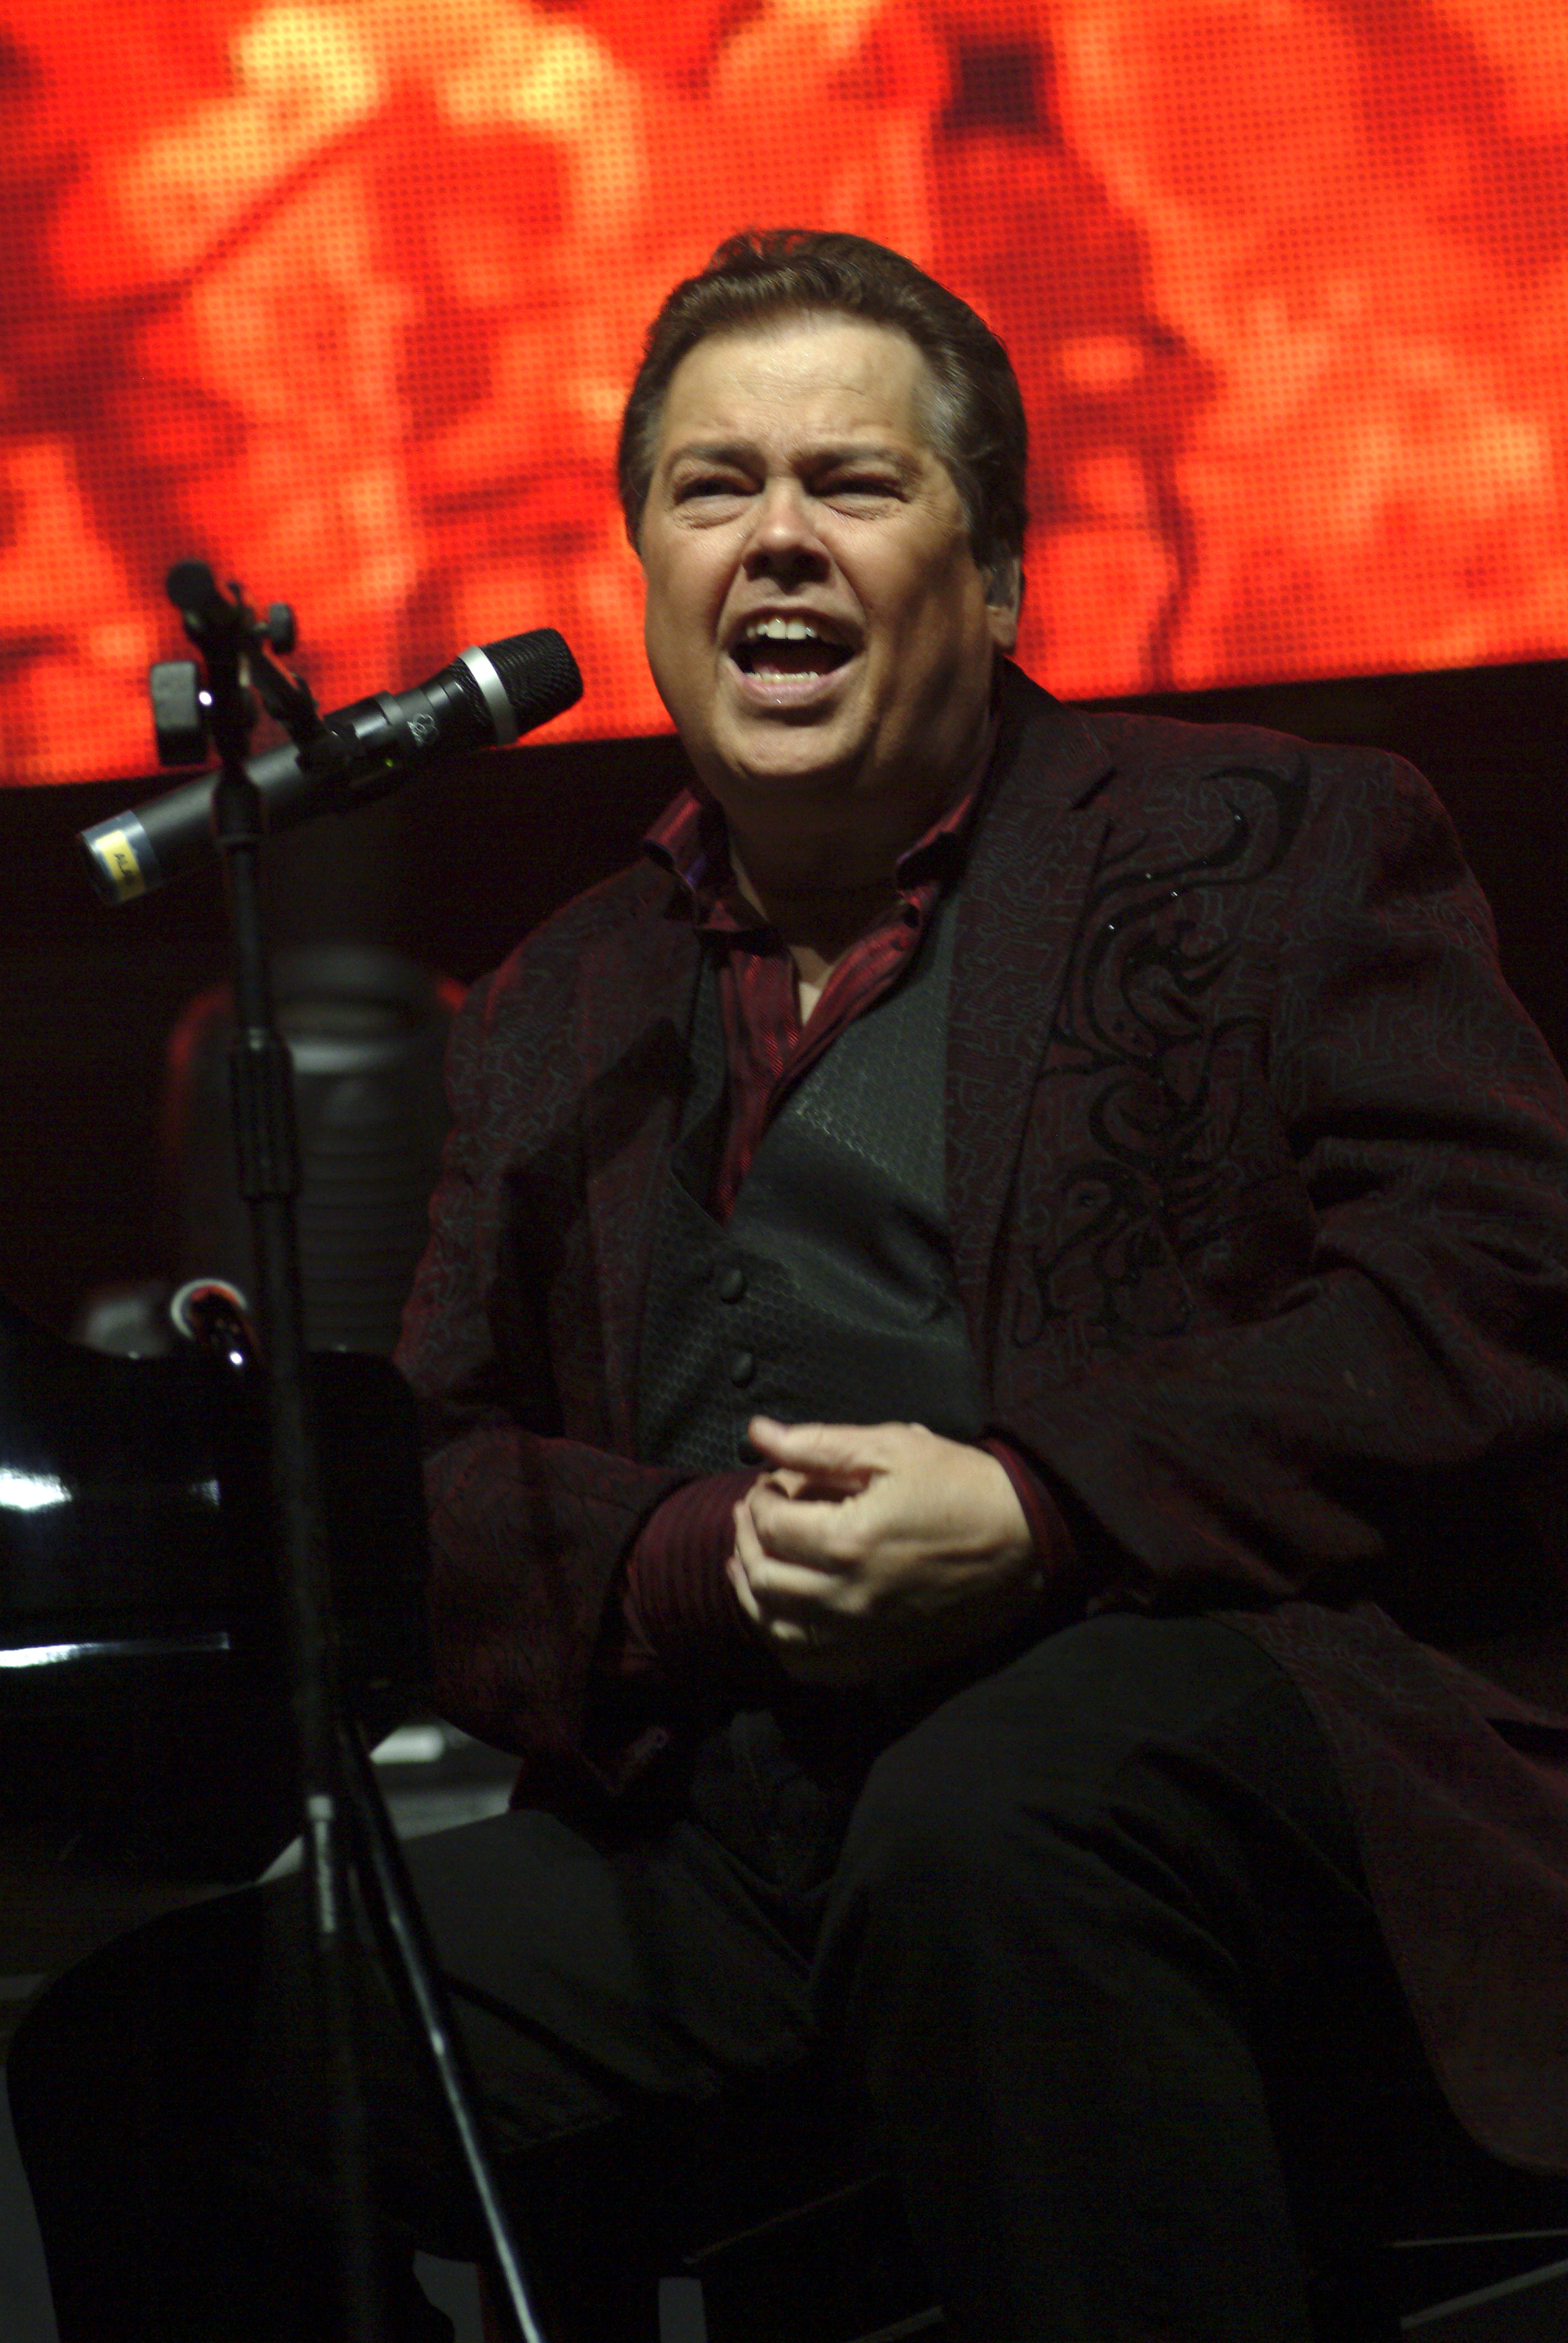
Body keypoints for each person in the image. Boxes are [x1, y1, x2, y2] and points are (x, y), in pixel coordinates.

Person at [12, 228, 1568, 2343]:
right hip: (742, 1836)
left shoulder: (1278, 841)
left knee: (987, 1827)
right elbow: (443, 1469)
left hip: (1217, 1735)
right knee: (151, 2045)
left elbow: (1496, 1295)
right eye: (713, 488)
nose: (777, 543)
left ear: (998, 576)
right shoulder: (561, 997)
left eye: (853, 483)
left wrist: (1037, 1501)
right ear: (647, 568)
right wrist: (686, 1565)